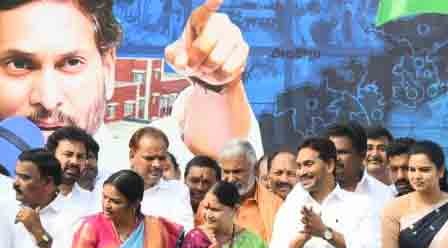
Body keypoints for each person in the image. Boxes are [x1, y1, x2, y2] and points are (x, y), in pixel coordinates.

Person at [0, 0, 263, 172]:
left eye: (71, 63)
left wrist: (218, 86)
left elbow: (216, 151)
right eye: (19, 64)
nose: (48, 99)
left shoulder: (151, 167)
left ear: (108, 67)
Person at [127, 127, 195, 232]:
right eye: (149, 158)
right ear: (132, 156)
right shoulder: (114, 188)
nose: (157, 164)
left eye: (162, 158)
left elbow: (185, 233)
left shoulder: (178, 191)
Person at [45, 126, 98, 215]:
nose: (75, 162)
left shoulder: (92, 203)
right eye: (68, 154)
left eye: (80, 156)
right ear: (51, 156)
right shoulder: (30, 197)